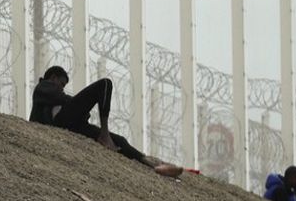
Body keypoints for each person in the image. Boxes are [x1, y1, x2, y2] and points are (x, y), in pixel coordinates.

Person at [29, 66, 183, 177]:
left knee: (119, 140)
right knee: (105, 84)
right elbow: (63, 99)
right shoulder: (43, 87)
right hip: (61, 122)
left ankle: (153, 164)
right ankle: (104, 133)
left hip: (72, 125)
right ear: (53, 78)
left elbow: (64, 101)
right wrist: (78, 104)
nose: (62, 88)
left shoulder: (52, 93)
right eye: (61, 84)